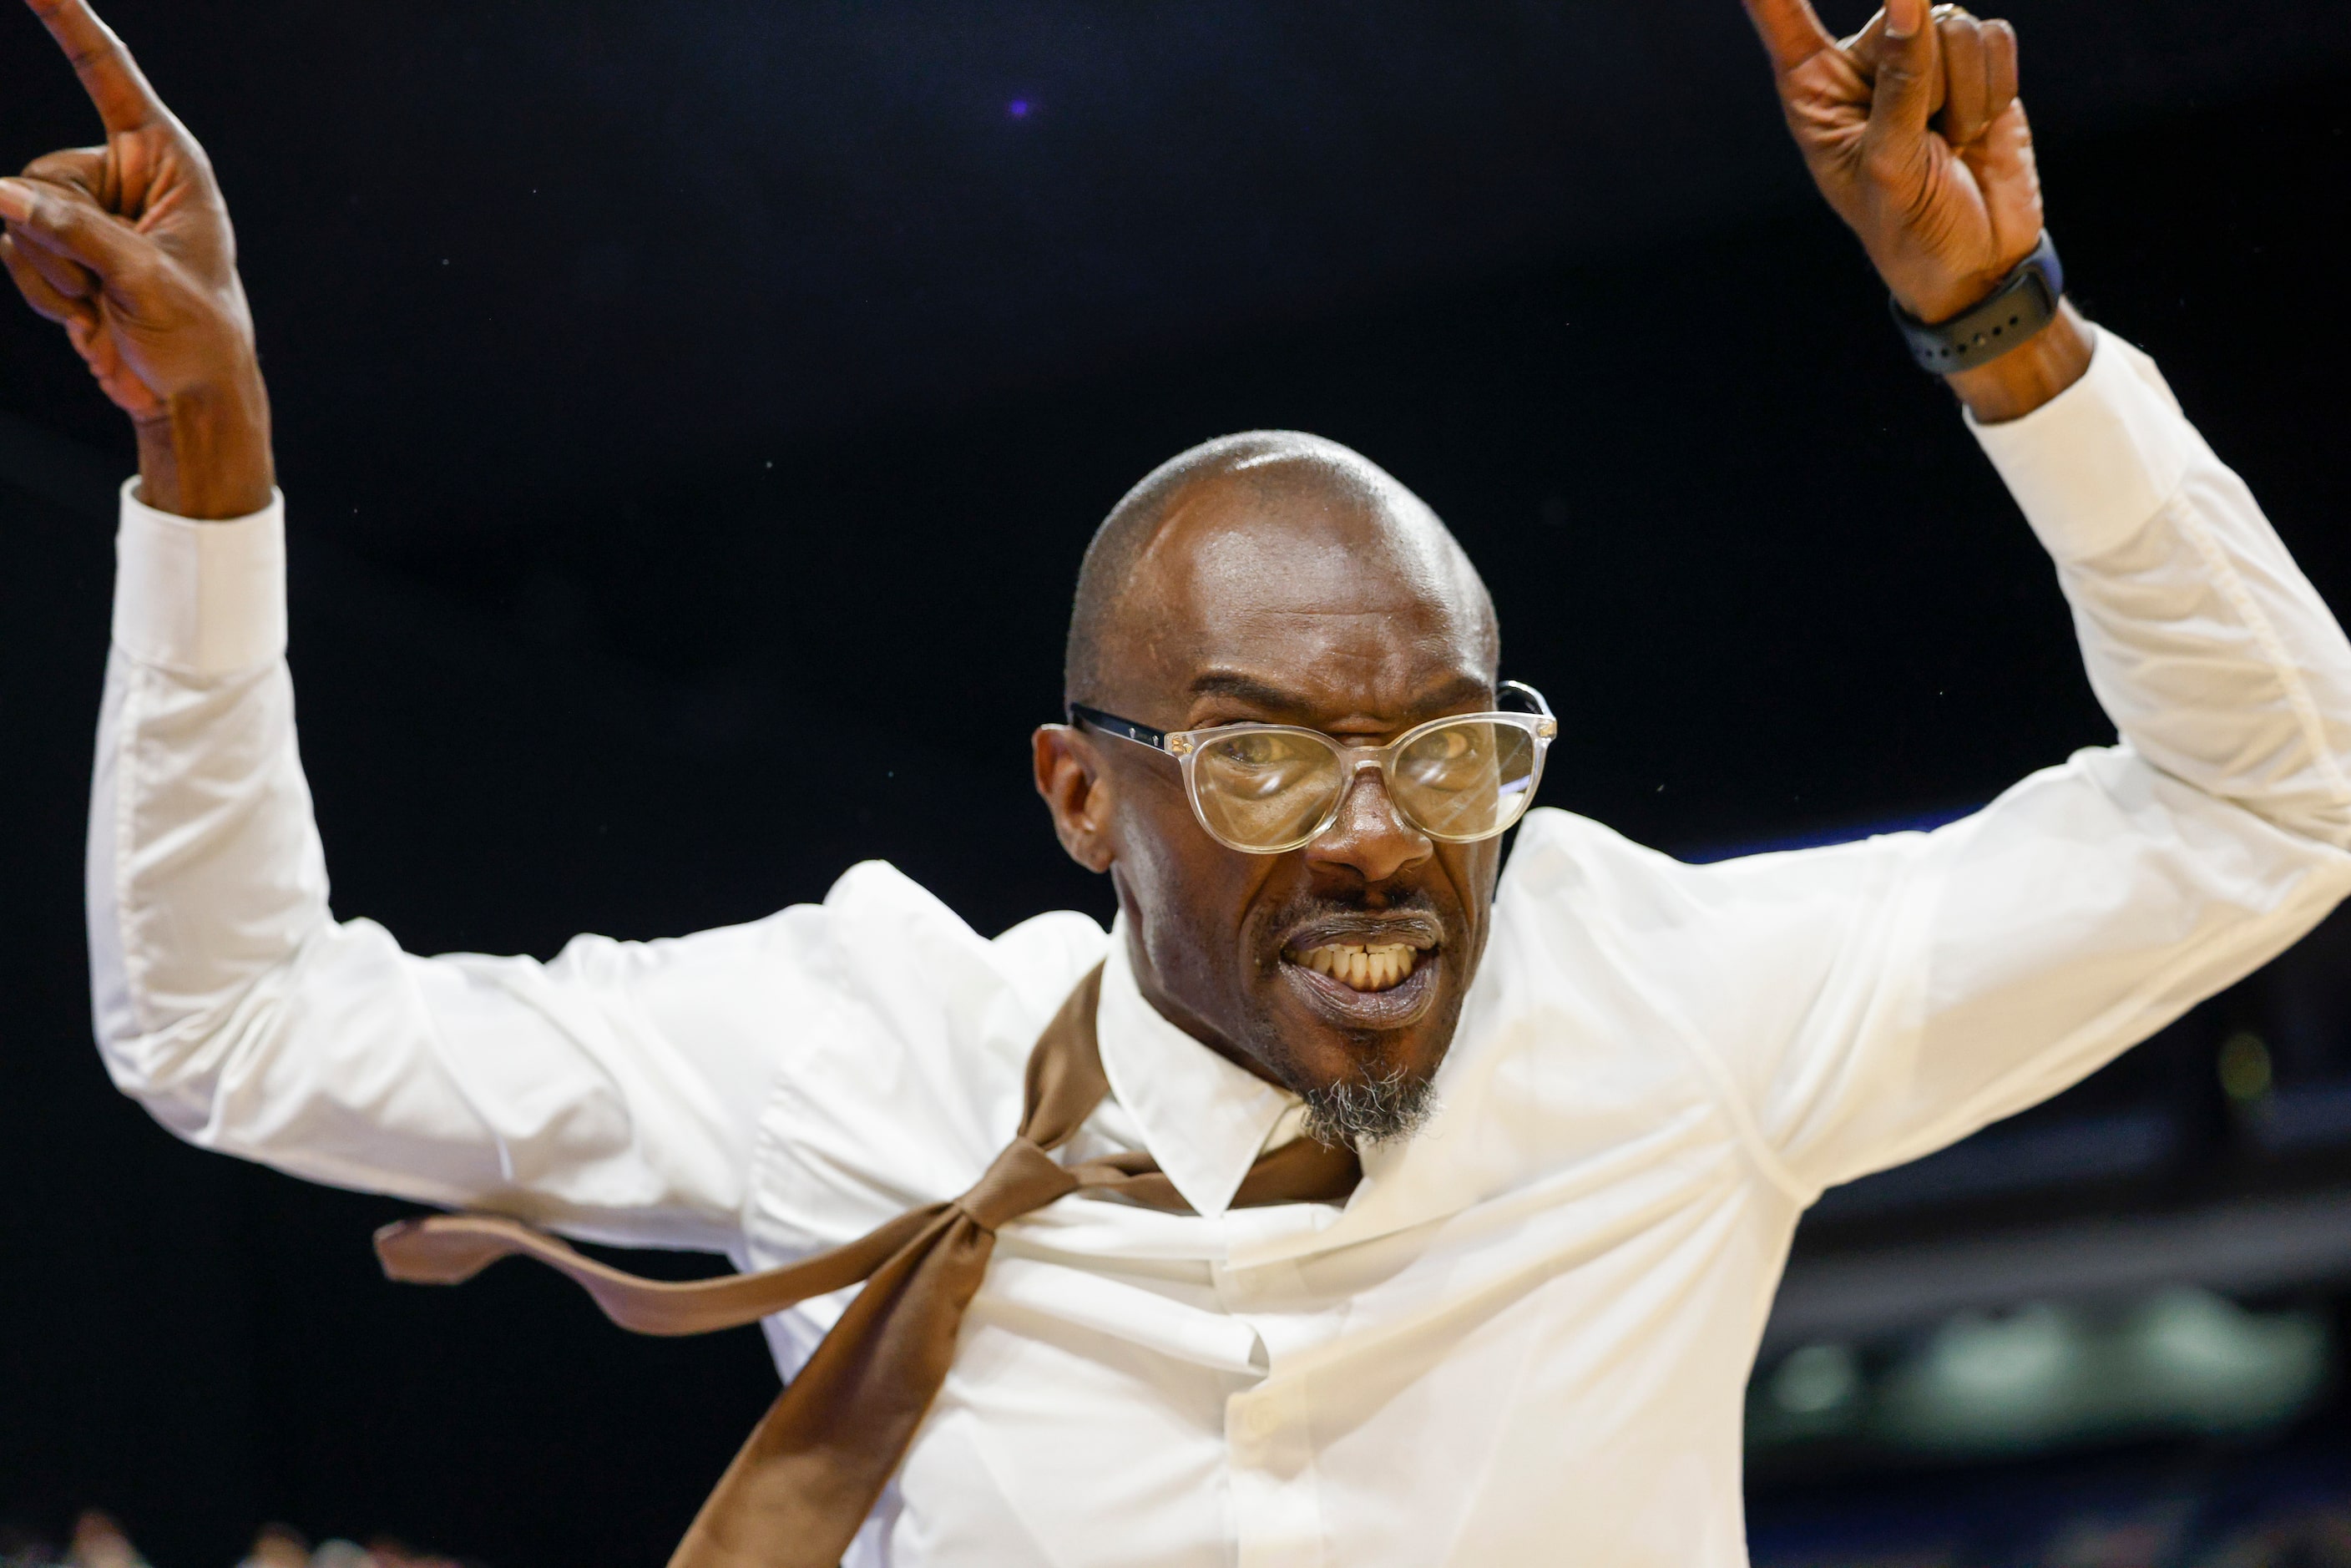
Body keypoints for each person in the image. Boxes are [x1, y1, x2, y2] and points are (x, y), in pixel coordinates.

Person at [7, 0, 2348, 1561]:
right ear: (1075, 797)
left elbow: (2279, 805)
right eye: (1258, 755)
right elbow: (237, 1036)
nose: (1373, 830)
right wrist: (208, 480)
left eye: (1445, 750)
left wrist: (2011, 336)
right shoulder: (850, 1050)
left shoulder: (1678, 1009)